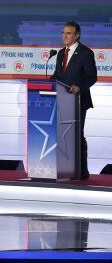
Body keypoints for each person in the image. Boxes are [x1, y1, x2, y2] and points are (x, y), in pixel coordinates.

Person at [51, 21, 97, 180]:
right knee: (62, 135)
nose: (65, 36)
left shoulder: (85, 53)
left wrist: (79, 87)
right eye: (63, 33)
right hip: (62, 100)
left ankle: (81, 171)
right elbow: (58, 75)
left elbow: (92, 76)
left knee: (77, 136)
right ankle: (65, 168)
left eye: (69, 33)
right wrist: (46, 83)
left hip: (78, 100)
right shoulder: (60, 53)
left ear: (77, 35)